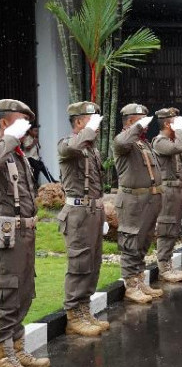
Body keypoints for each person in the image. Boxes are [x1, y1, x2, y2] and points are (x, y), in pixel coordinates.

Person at [0, 99, 49, 367]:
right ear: (4, 122)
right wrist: (8, 138)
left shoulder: (17, 153)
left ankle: (17, 347)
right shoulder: (5, 147)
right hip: (6, 234)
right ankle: (3, 353)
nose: (27, 127)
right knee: (7, 290)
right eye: (21, 121)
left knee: (23, 290)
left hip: (25, 232)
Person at [57, 101, 109, 337]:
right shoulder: (67, 144)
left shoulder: (93, 151)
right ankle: (73, 315)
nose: (96, 127)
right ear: (78, 122)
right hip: (77, 215)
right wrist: (88, 131)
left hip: (93, 212)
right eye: (92, 121)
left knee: (93, 263)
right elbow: (72, 148)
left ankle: (84, 309)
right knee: (79, 264)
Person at [113, 103, 163, 304]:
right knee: (131, 242)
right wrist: (136, 128)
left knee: (143, 242)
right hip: (132, 201)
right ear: (130, 121)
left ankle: (139, 279)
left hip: (149, 199)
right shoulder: (123, 141)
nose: (146, 123)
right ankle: (131, 284)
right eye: (140, 119)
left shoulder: (143, 143)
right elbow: (122, 143)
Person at [152, 107, 182, 283]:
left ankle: (167, 263)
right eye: (174, 121)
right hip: (167, 190)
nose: (178, 123)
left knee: (174, 227)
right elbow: (181, 147)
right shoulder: (160, 141)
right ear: (167, 123)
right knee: (166, 227)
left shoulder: (172, 140)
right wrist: (180, 131)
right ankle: (163, 266)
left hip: (177, 189)